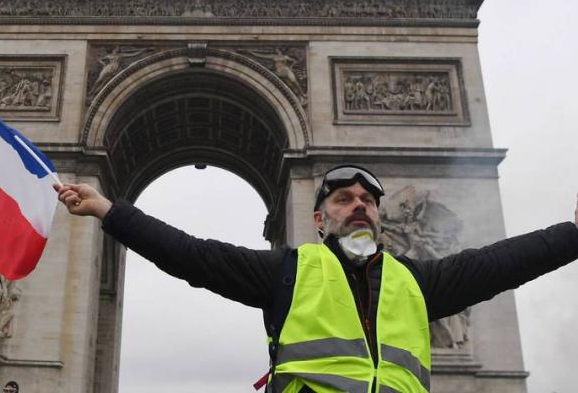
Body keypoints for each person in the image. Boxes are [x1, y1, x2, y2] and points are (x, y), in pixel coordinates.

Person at [55, 165, 578, 393]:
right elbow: (194, 257)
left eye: (368, 202)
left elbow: (503, 263)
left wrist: (574, 234)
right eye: (343, 200)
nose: (358, 208)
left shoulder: (417, 283)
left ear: (380, 217)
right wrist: (109, 210)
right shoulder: (286, 272)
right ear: (318, 219)